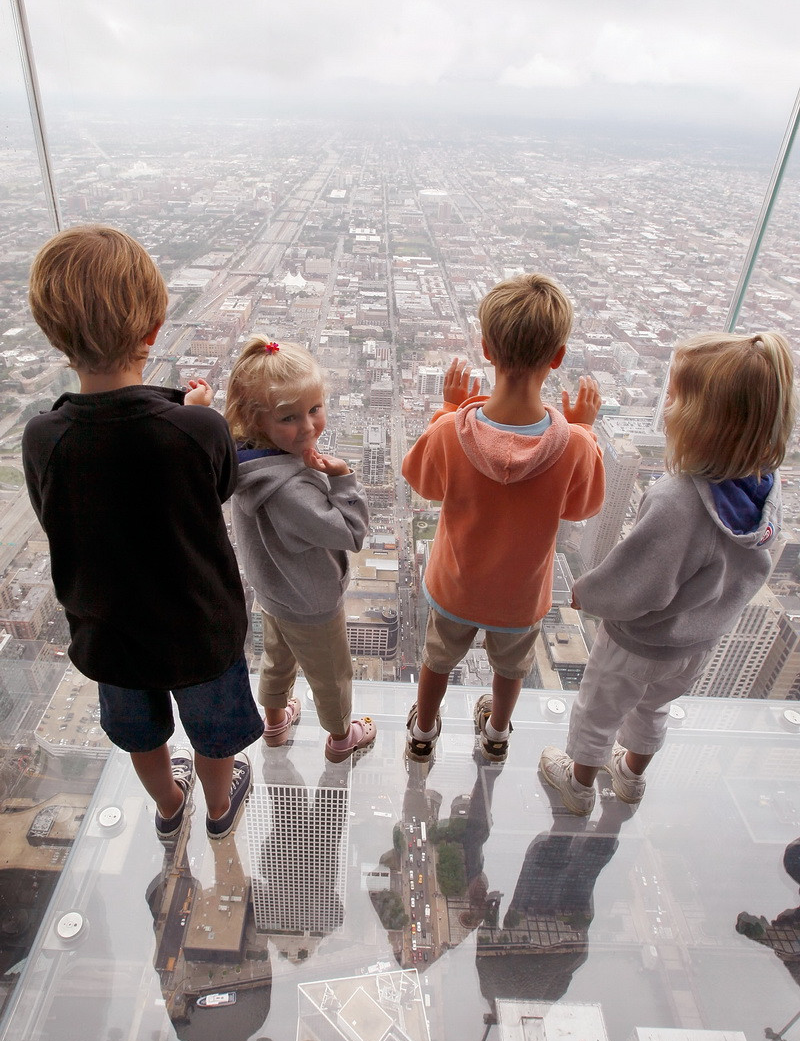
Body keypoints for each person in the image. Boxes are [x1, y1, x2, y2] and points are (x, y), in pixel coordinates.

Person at [23, 226, 264, 841]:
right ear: (153, 330)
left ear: (56, 338)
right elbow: (218, 486)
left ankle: (167, 806)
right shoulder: (196, 429)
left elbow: (56, 507)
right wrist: (199, 410)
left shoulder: (43, 439)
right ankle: (217, 809)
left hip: (111, 634)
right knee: (214, 735)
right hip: (199, 628)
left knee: (140, 732)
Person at [540, 330, 795, 816]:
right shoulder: (764, 488)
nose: (666, 406)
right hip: (697, 642)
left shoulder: (678, 500)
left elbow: (638, 581)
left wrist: (585, 594)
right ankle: (631, 777)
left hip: (639, 642)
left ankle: (577, 785)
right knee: (654, 710)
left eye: (675, 397)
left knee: (598, 712)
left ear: (702, 420)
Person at [402, 273, 605, 765]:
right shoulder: (573, 445)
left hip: (455, 586)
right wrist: (583, 428)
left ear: (487, 349)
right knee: (510, 670)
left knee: (437, 660)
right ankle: (496, 733)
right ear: (557, 357)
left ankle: (423, 732)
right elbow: (583, 506)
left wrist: (447, 408)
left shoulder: (453, 431)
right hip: (520, 597)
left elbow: (422, 481)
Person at [225, 337, 375, 762]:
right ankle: (342, 739)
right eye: (290, 417)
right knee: (331, 676)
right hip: (311, 602)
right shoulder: (290, 489)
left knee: (276, 659)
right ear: (258, 422)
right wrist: (343, 478)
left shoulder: (247, 464)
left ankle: (274, 724)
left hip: (274, 591)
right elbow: (352, 531)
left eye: (314, 409)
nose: (308, 426)